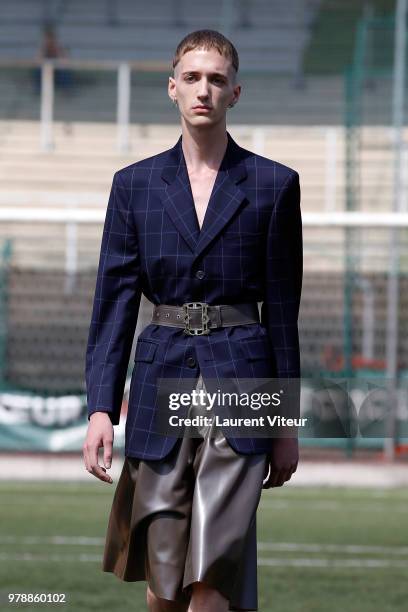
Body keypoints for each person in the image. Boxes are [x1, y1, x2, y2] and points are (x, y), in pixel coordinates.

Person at [83, 29, 303, 612]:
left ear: (236, 93)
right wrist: (101, 406)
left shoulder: (274, 185)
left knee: (214, 581)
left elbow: (283, 311)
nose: (203, 89)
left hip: (242, 381)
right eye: (192, 77)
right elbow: (114, 303)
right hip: (161, 381)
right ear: (172, 88)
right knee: (165, 584)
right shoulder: (133, 187)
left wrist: (286, 421)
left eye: (217, 79)